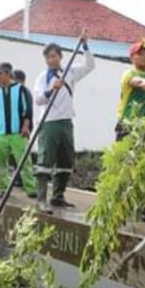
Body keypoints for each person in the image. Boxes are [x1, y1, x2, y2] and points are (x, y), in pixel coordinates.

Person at [33, 33, 95, 213]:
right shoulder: (42, 77)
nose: (51, 60)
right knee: (45, 160)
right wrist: (50, 90)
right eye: (48, 57)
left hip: (66, 121)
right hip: (49, 122)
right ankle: (41, 200)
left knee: (65, 160)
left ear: (60, 56)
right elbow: (38, 100)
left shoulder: (70, 71)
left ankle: (58, 196)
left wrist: (85, 46)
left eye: (54, 56)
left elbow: (90, 65)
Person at [116, 40, 145, 222]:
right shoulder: (129, 74)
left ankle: (140, 206)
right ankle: (118, 206)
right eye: (141, 53)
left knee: (142, 169)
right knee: (125, 168)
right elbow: (141, 84)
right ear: (132, 57)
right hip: (128, 125)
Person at [0, 62, 37, 199]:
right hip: (1, 133)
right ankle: (3, 189)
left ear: (8, 74)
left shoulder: (21, 90)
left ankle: (31, 189)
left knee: (24, 162)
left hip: (17, 133)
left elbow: (27, 110)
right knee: (1, 162)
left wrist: (25, 126)